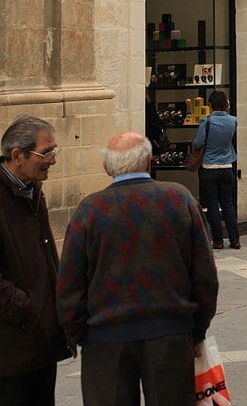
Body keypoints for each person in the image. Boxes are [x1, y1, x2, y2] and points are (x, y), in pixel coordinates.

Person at [57, 132, 218, 406]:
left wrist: (79, 334)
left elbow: (70, 283)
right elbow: (205, 274)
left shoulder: (90, 210)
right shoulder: (179, 198)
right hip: (169, 332)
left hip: (106, 337)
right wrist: (197, 329)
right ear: (149, 161)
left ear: (106, 167)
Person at [0, 115, 71, 406]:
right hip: (11, 350)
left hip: (41, 343)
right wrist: (28, 309)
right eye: (47, 152)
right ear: (17, 155)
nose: (53, 160)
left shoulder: (32, 191)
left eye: (55, 151)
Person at [193, 90, 241, 249]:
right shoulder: (233, 121)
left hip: (209, 167)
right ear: (226, 104)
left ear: (210, 105)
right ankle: (235, 239)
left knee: (212, 204)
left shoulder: (206, 121)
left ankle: (218, 240)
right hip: (227, 166)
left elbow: (198, 143)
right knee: (228, 204)